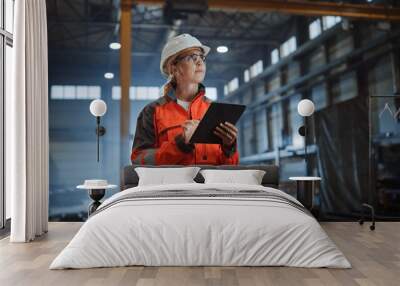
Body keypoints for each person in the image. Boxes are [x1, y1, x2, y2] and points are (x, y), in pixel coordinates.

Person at [130, 33, 239, 165]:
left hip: (211, 186)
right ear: (173, 68)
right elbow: (138, 160)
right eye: (192, 57)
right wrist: (181, 143)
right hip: (172, 186)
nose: (199, 61)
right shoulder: (152, 112)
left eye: (202, 57)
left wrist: (229, 147)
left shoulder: (215, 110)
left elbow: (230, 167)